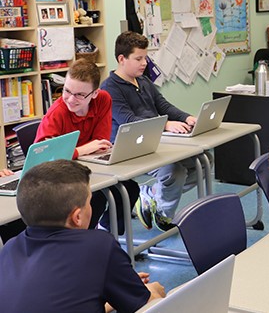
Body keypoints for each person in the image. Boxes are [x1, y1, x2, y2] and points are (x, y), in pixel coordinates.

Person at [0, 160, 165, 312]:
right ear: (77, 217)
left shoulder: (9, 249)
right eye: (89, 202)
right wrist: (152, 291)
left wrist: (115, 288)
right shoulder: (99, 246)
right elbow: (147, 305)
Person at [101, 31, 198, 232]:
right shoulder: (109, 88)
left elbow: (164, 106)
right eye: (138, 58)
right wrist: (165, 125)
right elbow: (130, 121)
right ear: (121, 59)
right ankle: (163, 213)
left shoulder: (143, 81)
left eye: (145, 57)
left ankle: (151, 197)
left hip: (155, 143)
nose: (144, 63)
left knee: (201, 164)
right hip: (129, 151)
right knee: (175, 172)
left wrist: (187, 117)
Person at [34, 59, 140, 234]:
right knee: (94, 198)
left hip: (89, 168)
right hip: (59, 175)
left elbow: (100, 143)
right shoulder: (57, 113)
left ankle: (106, 231)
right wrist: (81, 150)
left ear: (95, 93)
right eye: (67, 91)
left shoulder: (103, 99)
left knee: (129, 189)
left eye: (80, 95)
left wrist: (81, 151)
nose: (70, 99)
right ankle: (83, 239)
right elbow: (44, 157)